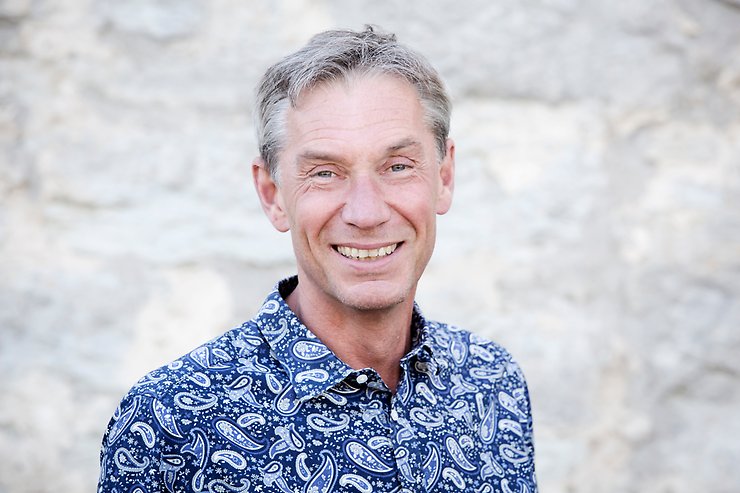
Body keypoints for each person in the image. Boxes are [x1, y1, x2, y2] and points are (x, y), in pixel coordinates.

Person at [97, 26, 537, 493]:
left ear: (444, 177)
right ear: (272, 194)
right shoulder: (170, 422)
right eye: (325, 173)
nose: (366, 213)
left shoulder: (493, 382)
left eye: (398, 166)